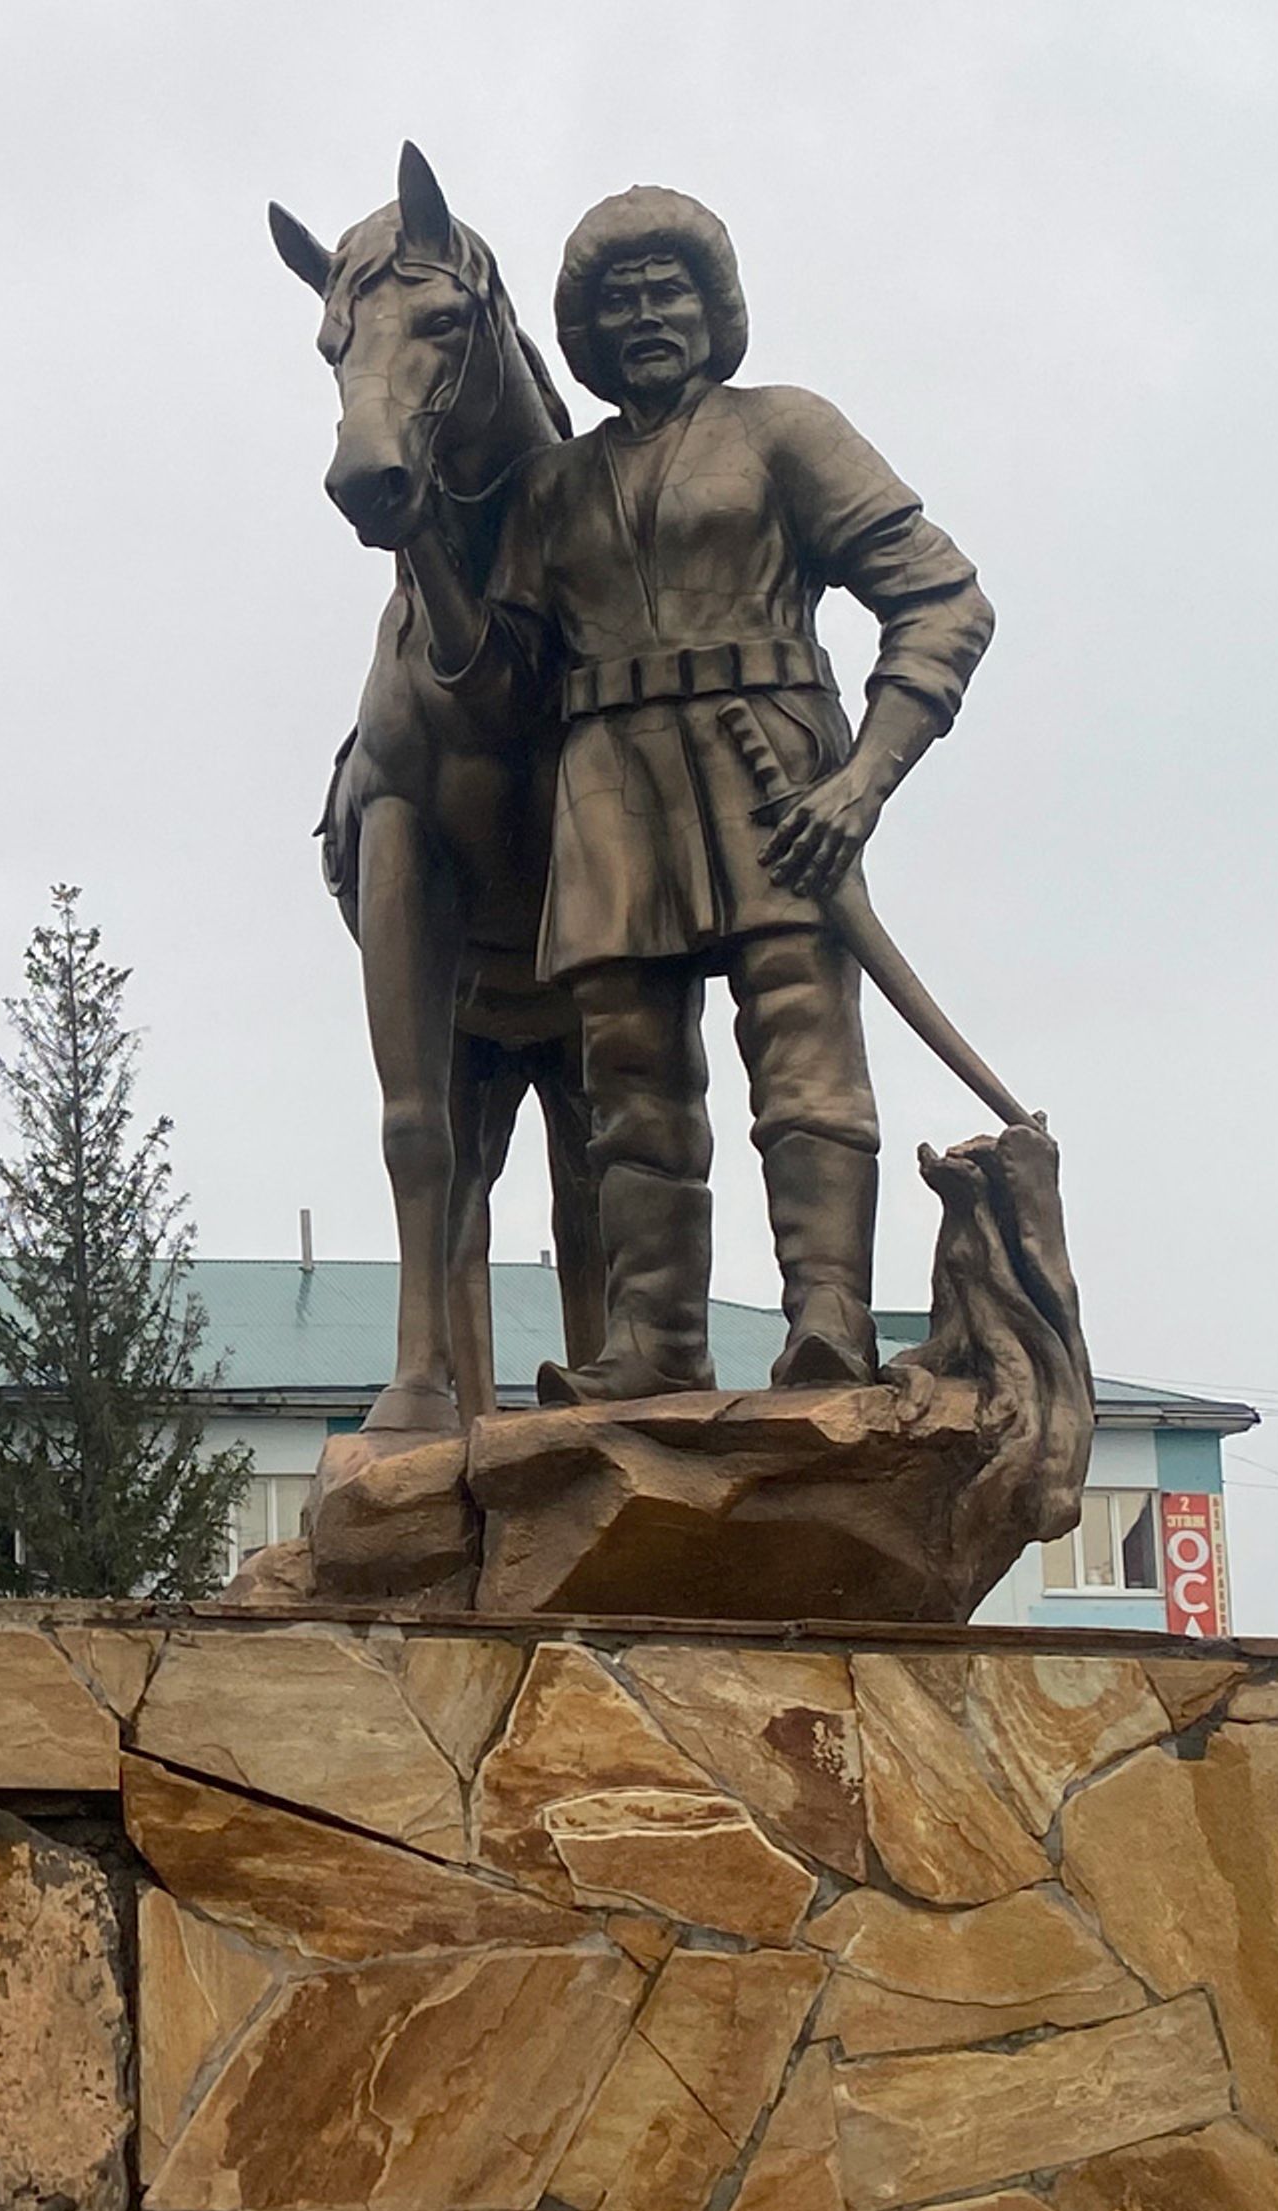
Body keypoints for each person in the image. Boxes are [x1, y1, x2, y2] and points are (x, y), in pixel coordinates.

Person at [404, 187, 993, 1400]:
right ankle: (654, 1346)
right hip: (609, 791)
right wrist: (422, 542)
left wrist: (865, 786)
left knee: (803, 1051)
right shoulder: (552, 490)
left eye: (666, 291)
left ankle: (828, 1323)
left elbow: (940, 602)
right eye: (615, 302)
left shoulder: (786, 429)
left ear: (713, 307)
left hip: (769, 767)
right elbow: (505, 681)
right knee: (627, 1077)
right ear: (584, 333)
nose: (644, 317)